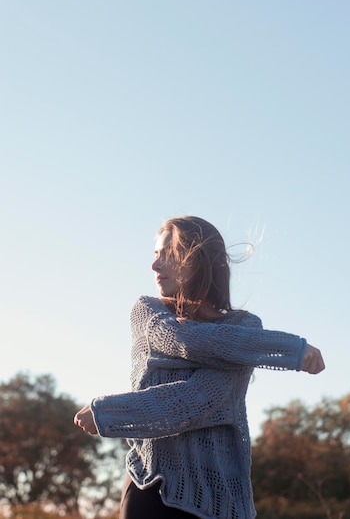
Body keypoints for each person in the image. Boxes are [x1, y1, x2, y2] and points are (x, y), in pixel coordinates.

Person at [74, 216, 325, 519]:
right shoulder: (148, 311)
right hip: (150, 491)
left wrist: (111, 412)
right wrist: (285, 349)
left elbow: (197, 400)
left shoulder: (244, 328)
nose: (155, 266)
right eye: (155, 255)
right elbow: (181, 338)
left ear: (200, 259)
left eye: (168, 254)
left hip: (220, 503)